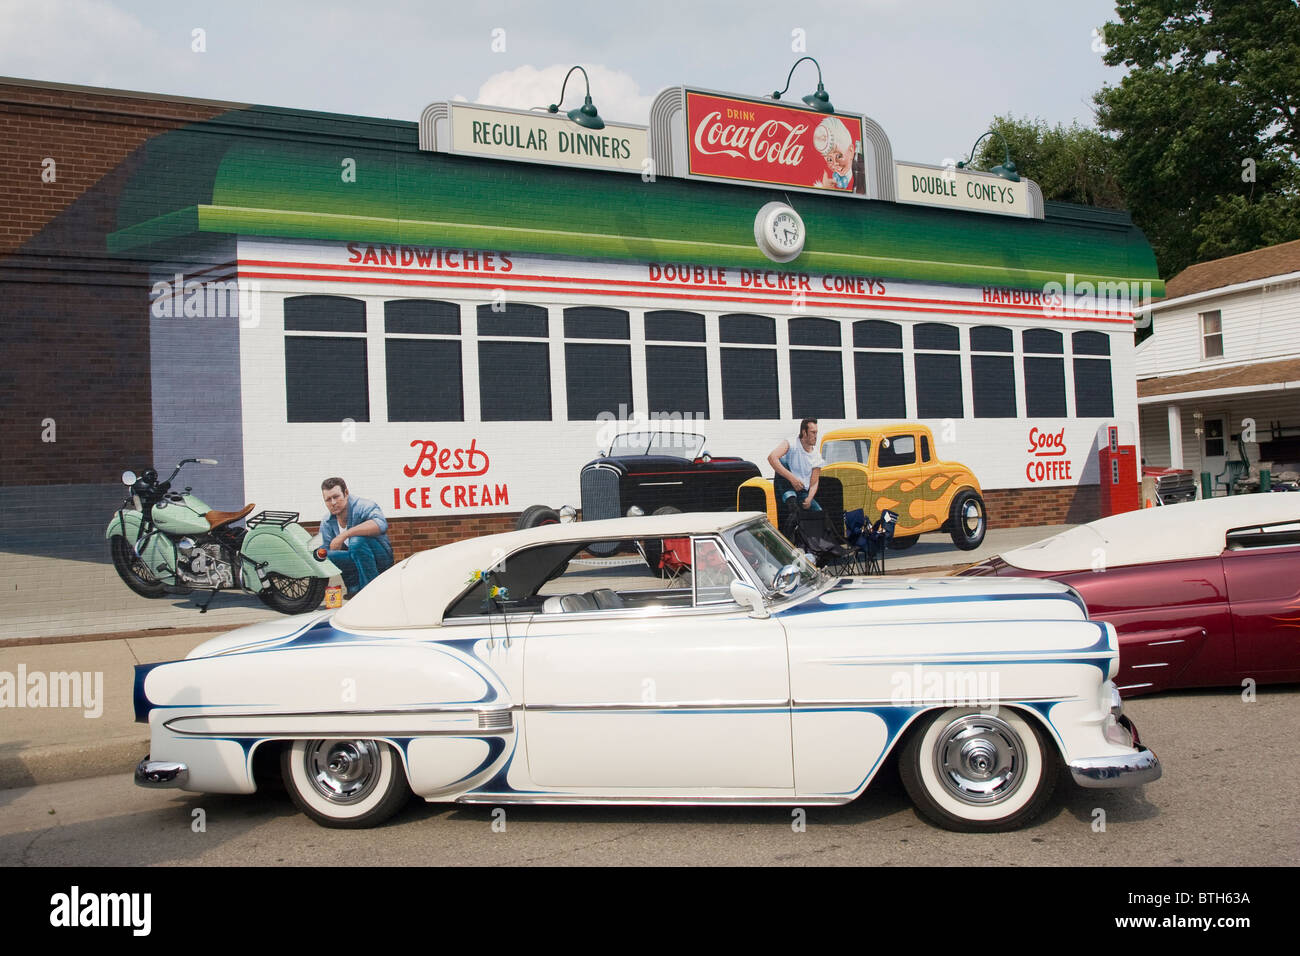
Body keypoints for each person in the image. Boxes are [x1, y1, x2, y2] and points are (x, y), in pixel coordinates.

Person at [319, 477, 393, 596]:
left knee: (356, 541)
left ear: (346, 493)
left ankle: (370, 591)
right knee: (327, 554)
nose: (333, 502)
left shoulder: (363, 505)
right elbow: (326, 551)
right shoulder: (327, 521)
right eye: (328, 499)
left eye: (336, 497)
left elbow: (381, 524)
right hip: (355, 560)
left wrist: (345, 535)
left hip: (380, 560)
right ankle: (354, 588)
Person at [769, 419, 825, 513]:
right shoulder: (792, 443)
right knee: (781, 460)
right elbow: (772, 457)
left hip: (803, 492)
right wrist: (792, 479)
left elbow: (814, 483)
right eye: (813, 432)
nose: (816, 436)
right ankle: (791, 500)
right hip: (786, 486)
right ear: (804, 432)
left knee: (819, 513)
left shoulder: (817, 456)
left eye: (816, 433)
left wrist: (809, 499)